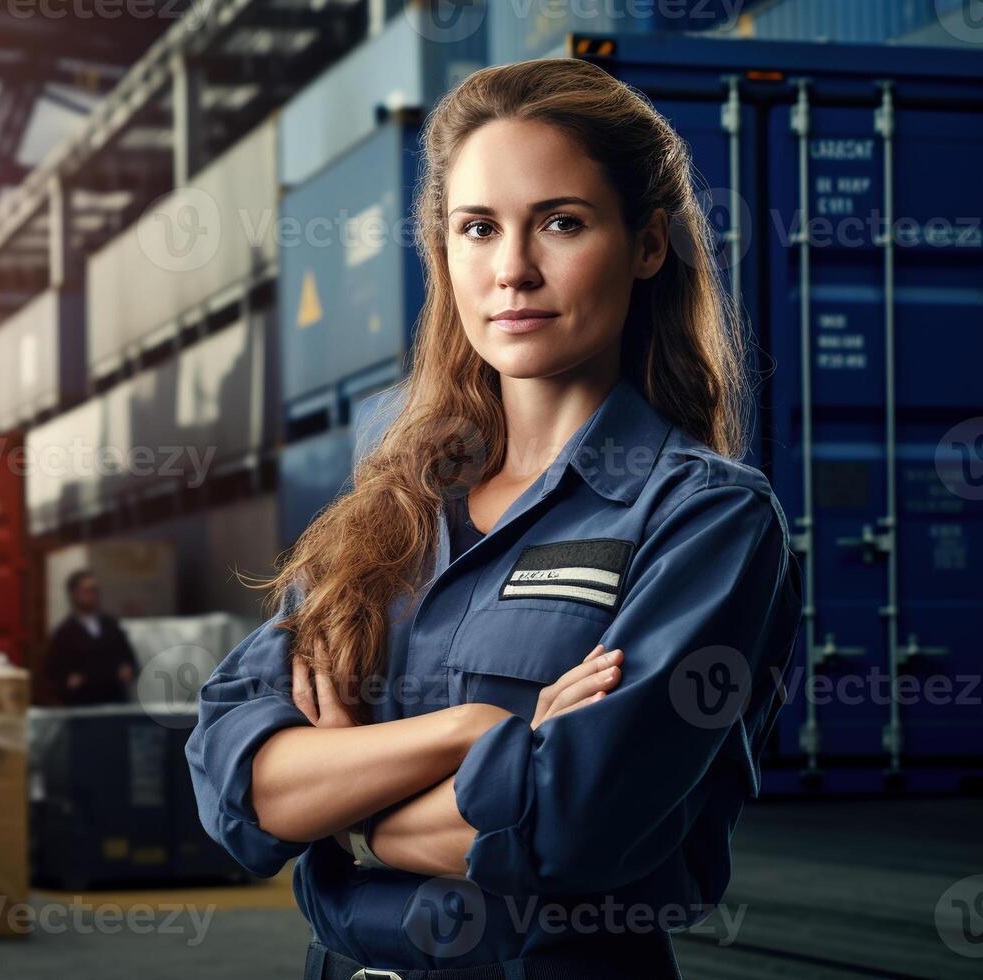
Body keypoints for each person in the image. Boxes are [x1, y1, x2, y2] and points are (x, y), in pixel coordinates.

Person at [186, 58, 803, 980]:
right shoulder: (389, 512)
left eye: (561, 222)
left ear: (646, 244)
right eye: (478, 228)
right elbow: (233, 779)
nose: (512, 269)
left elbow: (573, 828)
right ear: (446, 252)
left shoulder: (707, 519)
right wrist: (473, 731)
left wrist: (343, 803)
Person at [46, 569, 139, 706]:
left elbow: (129, 659)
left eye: (94, 590)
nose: (92, 595)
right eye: (86, 591)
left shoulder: (111, 625)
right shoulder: (65, 632)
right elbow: (53, 671)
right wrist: (67, 681)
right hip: (82, 704)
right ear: (74, 594)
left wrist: (128, 669)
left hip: (114, 700)